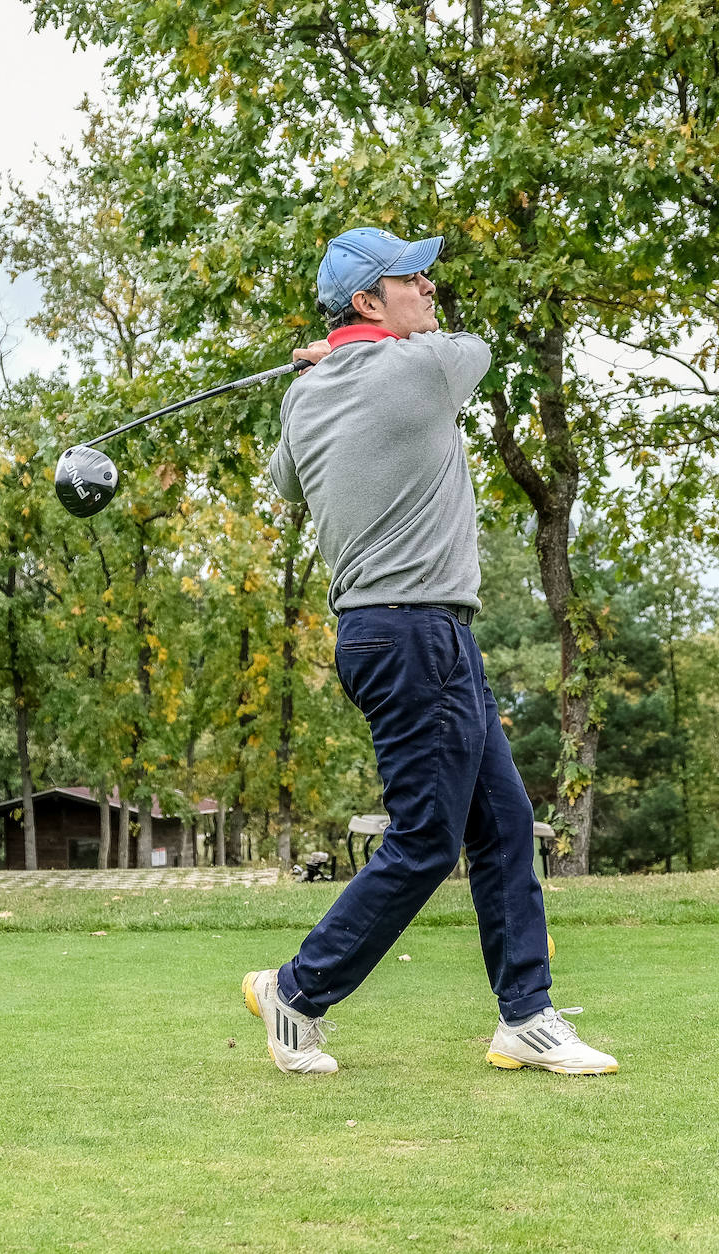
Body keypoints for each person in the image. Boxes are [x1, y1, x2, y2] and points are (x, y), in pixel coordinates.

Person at [242, 227, 618, 1077]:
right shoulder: (421, 366)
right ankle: (297, 993)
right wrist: (363, 355)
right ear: (370, 301)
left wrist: (327, 368)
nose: (431, 290)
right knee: (424, 839)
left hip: (404, 634)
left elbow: (287, 480)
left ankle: (526, 1014)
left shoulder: (305, 398)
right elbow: (476, 351)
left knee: (505, 822)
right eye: (412, 280)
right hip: (413, 633)